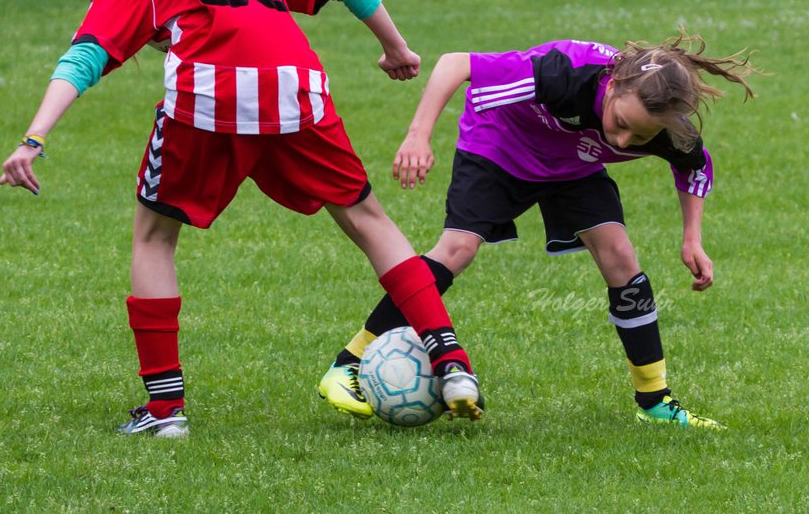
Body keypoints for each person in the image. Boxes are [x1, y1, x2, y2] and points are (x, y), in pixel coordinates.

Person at [0, 0, 485, 437]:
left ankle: (165, 412)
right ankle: (452, 362)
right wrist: (395, 49)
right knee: (370, 221)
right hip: (296, 84)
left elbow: (85, 55)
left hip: (209, 92)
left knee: (155, 238)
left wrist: (33, 137)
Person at [316, 35, 756, 429]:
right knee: (457, 249)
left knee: (620, 256)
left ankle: (655, 401)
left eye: (638, 135)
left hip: (570, 163)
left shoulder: (659, 126)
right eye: (621, 123)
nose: (623, 141)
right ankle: (348, 364)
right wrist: (418, 135)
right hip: (500, 141)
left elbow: (695, 167)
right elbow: (455, 62)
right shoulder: (565, 72)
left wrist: (691, 238)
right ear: (615, 84)